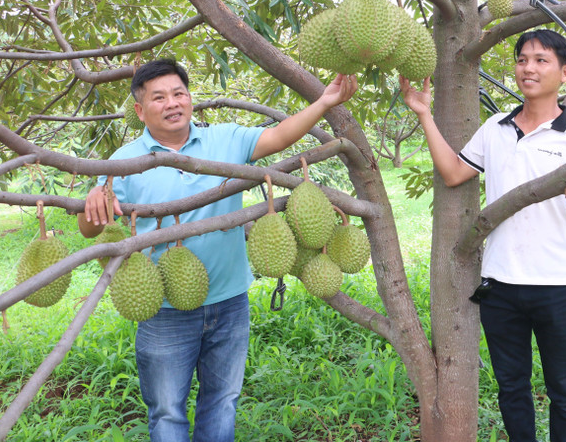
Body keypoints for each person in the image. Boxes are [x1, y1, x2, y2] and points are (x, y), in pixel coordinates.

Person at [78, 58, 357, 442]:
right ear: (140, 111)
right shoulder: (122, 163)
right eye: (159, 97)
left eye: (179, 93)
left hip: (229, 301)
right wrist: (96, 195)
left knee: (223, 400)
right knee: (167, 411)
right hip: (163, 312)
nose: (172, 103)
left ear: (190, 99)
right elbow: (90, 228)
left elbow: (278, 137)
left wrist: (324, 102)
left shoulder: (224, 140)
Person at [400, 29, 566, 442]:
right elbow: (454, 172)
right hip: (500, 285)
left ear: (564, 73)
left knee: (564, 391)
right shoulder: (495, 128)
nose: (528, 68)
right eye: (522, 59)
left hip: (556, 284)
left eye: (541, 60)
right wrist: (424, 114)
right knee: (511, 388)